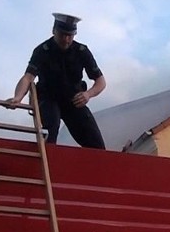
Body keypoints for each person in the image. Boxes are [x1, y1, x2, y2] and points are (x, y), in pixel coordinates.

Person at [8, 13, 107, 149]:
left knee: (95, 142)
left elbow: (100, 81)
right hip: (48, 97)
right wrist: (18, 97)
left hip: (74, 99)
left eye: (70, 36)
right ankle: (48, 161)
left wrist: (88, 94)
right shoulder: (42, 50)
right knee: (51, 126)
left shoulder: (82, 51)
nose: (66, 39)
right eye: (62, 35)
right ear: (54, 31)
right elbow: (28, 77)